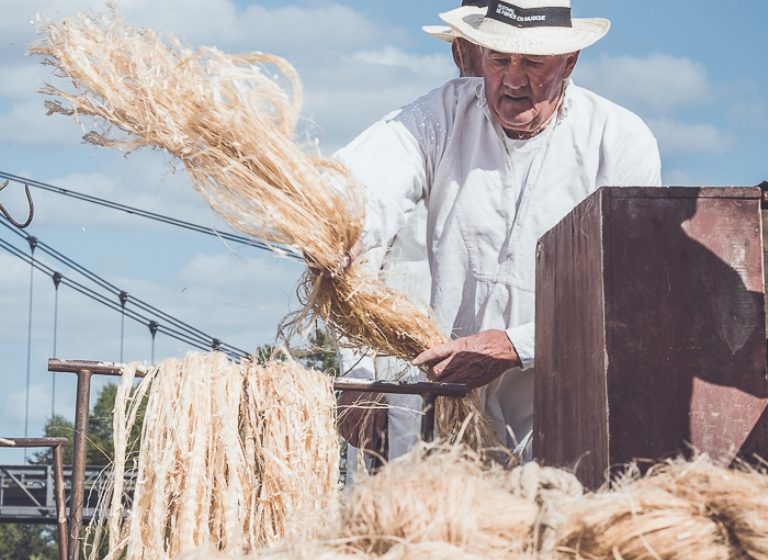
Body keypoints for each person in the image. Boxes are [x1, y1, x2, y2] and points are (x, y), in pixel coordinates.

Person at [336, 0, 662, 460]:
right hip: (439, 411)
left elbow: (630, 293)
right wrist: (338, 221)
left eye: (532, 61)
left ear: (570, 61)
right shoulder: (443, 116)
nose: (512, 79)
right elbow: (364, 187)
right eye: (498, 59)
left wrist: (515, 345)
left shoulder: (619, 141)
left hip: (558, 415)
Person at [337, 2, 491, 483]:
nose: (505, 72)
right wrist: (358, 380)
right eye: (493, 53)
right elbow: (353, 263)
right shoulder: (409, 138)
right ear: (461, 53)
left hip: (516, 373)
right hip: (410, 378)